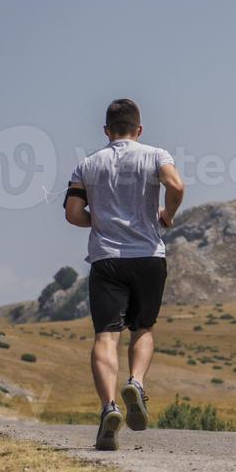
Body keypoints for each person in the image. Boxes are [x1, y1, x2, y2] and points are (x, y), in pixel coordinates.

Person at [64, 99, 185, 451]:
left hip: (107, 260)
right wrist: (167, 215)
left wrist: (98, 220)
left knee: (106, 336)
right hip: (148, 255)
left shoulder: (87, 164)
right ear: (139, 129)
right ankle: (136, 382)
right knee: (143, 328)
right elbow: (176, 186)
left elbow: (73, 213)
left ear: (106, 131)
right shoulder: (155, 155)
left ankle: (109, 408)